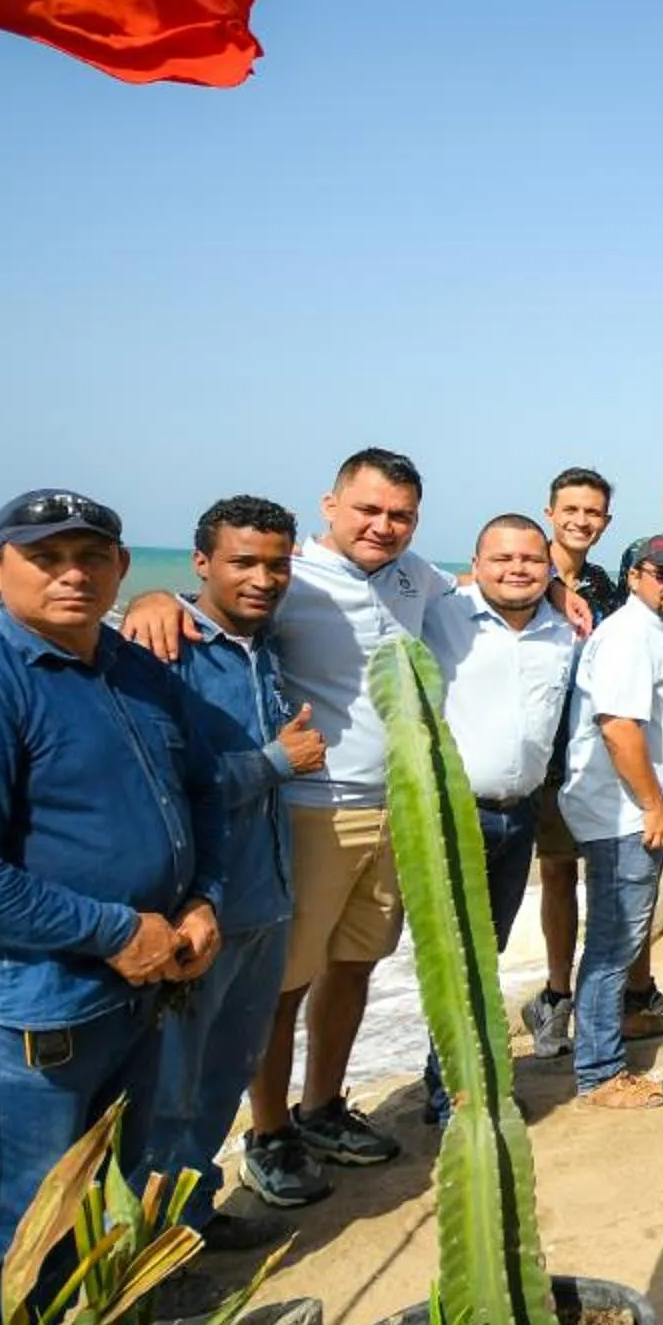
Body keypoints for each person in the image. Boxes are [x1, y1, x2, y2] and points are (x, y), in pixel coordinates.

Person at [0, 489, 224, 1325]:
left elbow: (197, 792)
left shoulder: (130, 666)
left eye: (92, 556)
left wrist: (204, 901)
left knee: (112, 1210)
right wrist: (114, 931)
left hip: (143, 992)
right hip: (31, 1013)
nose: (73, 574)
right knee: (4, 1223)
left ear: (120, 568)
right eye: (47, 557)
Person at [120, 448, 452, 1207]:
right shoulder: (290, 578)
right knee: (281, 985)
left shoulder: (415, 576)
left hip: (397, 806)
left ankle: (324, 1107)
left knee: (355, 965)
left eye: (399, 515)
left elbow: (475, 589)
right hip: (310, 814)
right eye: (367, 510)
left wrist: (563, 587)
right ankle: (268, 1131)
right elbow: (215, 601)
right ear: (330, 506)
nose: (382, 526)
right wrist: (150, 597)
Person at [139, 496, 325, 1250]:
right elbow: (165, 782)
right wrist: (279, 762)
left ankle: (195, 1217)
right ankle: (153, 1247)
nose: (262, 578)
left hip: (267, 891)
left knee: (228, 1068)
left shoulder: (268, 643)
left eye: (277, 564)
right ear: (202, 564)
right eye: (243, 562)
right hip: (201, 905)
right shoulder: (165, 648)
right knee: (171, 1085)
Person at [417, 515, 578, 1124]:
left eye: (532, 561)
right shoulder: (441, 616)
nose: (517, 570)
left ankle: (472, 1081)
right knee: (452, 957)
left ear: (550, 568)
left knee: (488, 954)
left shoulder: (564, 634)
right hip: (453, 813)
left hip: (521, 818)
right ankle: (451, 1094)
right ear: (476, 564)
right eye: (502, 559)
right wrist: (164, 602)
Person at [561, 533, 663, 1111]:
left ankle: (617, 1030)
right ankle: (600, 1074)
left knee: (620, 939)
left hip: (638, 814)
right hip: (624, 815)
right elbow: (619, 727)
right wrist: (653, 805)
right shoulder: (627, 637)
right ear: (634, 577)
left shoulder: (662, 638)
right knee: (612, 944)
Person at [523, 467, 623, 1061]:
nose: (582, 521)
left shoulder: (606, 585)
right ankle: (556, 994)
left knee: (584, 871)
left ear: (606, 521)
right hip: (528, 752)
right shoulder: (520, 568)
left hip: (585, 750)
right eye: (572, 510)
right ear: (550, 511)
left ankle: (580, 994)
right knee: (553, 874)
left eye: (593, 513)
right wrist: (552, 587)